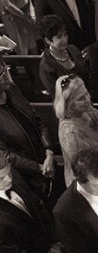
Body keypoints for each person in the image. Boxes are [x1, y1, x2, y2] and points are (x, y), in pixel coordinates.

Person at [0, 154, 57, 253]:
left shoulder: (14, 177)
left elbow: (37, 204)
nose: (9, 179)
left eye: (9, 172)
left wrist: (54, 240)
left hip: (49, 247)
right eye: (1, 178)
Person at [0, 57, 55, 197]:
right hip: (23, 179)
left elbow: (38, 120)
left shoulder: (12, 90)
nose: (5, 74)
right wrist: (39, 168)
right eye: (0, 73)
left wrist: (49, 151)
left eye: (4, 69)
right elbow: (6, 155)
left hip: (46, 161)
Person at [53, 75, 98, 187]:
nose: (88, 99)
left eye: (86, 93)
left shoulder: (86, 111)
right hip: (88, 181)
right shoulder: (71, 134)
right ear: (68, 104)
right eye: (81, 98)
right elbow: (84, 172)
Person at [39, 14, 89, 96]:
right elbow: (57, 95)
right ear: (48, 40)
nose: (65, 39)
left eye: (65, 34)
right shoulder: (46, 66)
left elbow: (87, 78)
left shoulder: (73, 49)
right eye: (59, 37)